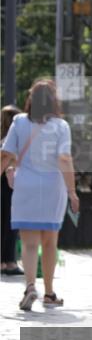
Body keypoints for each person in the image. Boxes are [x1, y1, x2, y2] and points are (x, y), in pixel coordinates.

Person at [0, 79, 79, 310]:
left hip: (26, 186)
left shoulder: (19, 122)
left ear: (31, 99)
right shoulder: (61, 126)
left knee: (29, 242)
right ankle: (50, 293)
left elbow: (5, 156)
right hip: (53, 187)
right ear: (54, 100)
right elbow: (64, 159)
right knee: (50, 242)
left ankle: (30, 286)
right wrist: (72, 191)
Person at [1, 105, 24, 276]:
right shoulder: (15, 140)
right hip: (12, 184)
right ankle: (9, 261)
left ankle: (3, 261)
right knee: (11, 223)